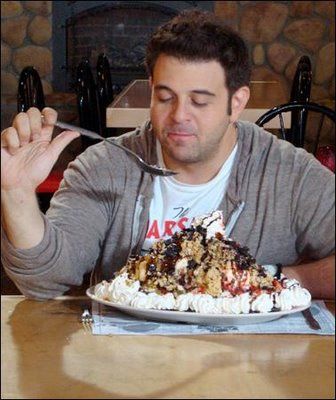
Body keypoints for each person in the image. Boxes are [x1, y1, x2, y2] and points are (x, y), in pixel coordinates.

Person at [1, 10, 334, 300]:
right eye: (164, 97)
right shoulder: (105, 167)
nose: (179, 115)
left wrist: (277, 278)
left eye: (200, 101)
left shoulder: (288, 173)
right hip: (125, 365)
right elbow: (44, 281)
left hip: (248, 366)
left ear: (237, 102)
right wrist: (15, 194)